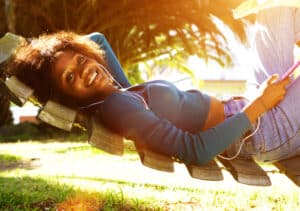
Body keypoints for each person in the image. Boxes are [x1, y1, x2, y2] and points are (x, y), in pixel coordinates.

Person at [3, 31, 289, 165]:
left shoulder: (118, 93)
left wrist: (46, 53)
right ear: (66, 97)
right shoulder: (119, 106)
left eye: (79, 60)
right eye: (69, 78)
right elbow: (195, 151)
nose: (84, 71)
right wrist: (260, 104)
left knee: (274, 15)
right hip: (261, 130)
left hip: (251, 110)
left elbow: (99, 40)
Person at [232, 2, 300, 162]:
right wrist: (261, 103)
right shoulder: (167, 128)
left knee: (276, 3)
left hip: (255, 102)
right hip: (264, 133)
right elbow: (202, 150)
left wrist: (261, 101)